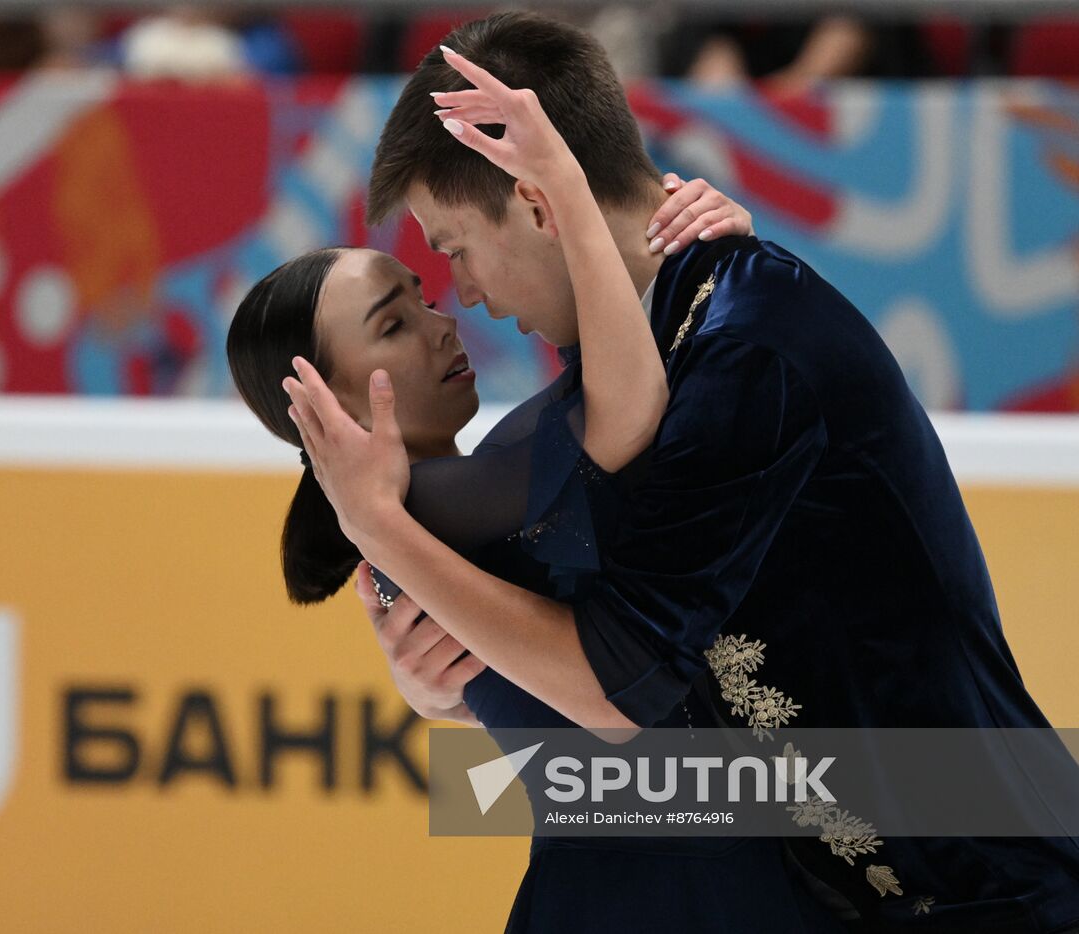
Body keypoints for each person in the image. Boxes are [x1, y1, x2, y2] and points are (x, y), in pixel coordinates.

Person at [286, 12, 1079, 933]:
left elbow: (619, 680)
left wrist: (379, 529)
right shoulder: (637, 350)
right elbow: (591, 634)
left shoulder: (749, 347)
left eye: (454, 247)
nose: (463, 293)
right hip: (850, 892)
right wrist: (449, 682)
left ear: (540, 205)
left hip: (991, 888)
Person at [227, 193, 853, 929]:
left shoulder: (435, 511)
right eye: (394, 325)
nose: (440, 324)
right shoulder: (437, 508)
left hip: (669, 875)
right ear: (324, 408)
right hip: (655, 893)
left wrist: (715, 268)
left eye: (422, 297)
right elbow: (629, 394)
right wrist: (706, 265)